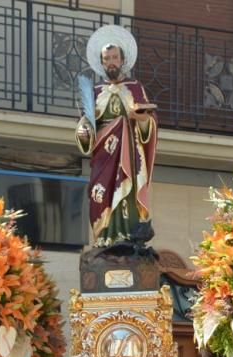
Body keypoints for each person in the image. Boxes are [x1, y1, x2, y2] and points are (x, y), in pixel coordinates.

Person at [75, 25, 157, 246]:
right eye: (106, 58)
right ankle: (105, 236)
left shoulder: (135, 88)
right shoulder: (95, 92)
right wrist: (84, 131)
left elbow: (149, 122)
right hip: (103, 155)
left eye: (114, 57)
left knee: (126, 193)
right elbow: (86, 125)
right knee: (101, 193)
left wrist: (142, 120)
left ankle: (127, 235)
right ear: (101, 63)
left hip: (128, 153)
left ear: (122, 60)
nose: (110, 62)